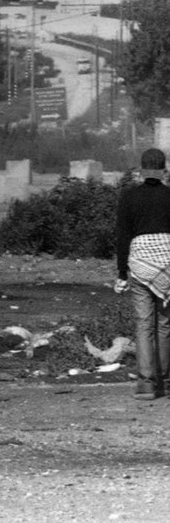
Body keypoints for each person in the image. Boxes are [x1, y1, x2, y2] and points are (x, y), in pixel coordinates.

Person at [115, 147, 170, 399]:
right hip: (168, 266)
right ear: (163, 171)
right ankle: (166, 382)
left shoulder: (129, 197)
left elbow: (123, 236)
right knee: (165, 325)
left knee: (143, 325)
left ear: (141, 171)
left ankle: (146, 383)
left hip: (139, 266)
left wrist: (122, 272)